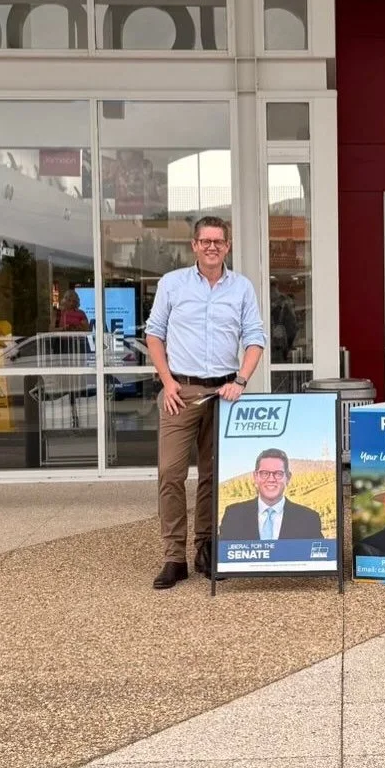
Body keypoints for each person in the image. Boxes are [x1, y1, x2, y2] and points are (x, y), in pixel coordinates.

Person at [145, 216, 266, 591]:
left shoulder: (241, 288)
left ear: (227, 246)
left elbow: (255, 338)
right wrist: (167, 382)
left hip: (223, 395)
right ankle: (173, 557)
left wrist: (241, 380)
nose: (212, 247)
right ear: (194, 245)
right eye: (205, 241)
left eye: (219, 241)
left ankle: (206, 549)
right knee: (171, 473)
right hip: (180, 393)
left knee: (214, 477)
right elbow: (154, 334)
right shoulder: (172, 284)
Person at [218, 448, 323, 541]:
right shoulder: (233, 515)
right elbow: (222, 557)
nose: (271, 479)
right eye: (264, 473)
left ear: (288, 477)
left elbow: (319, 560)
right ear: (255, 477)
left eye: (278, 473)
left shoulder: (308, 519)